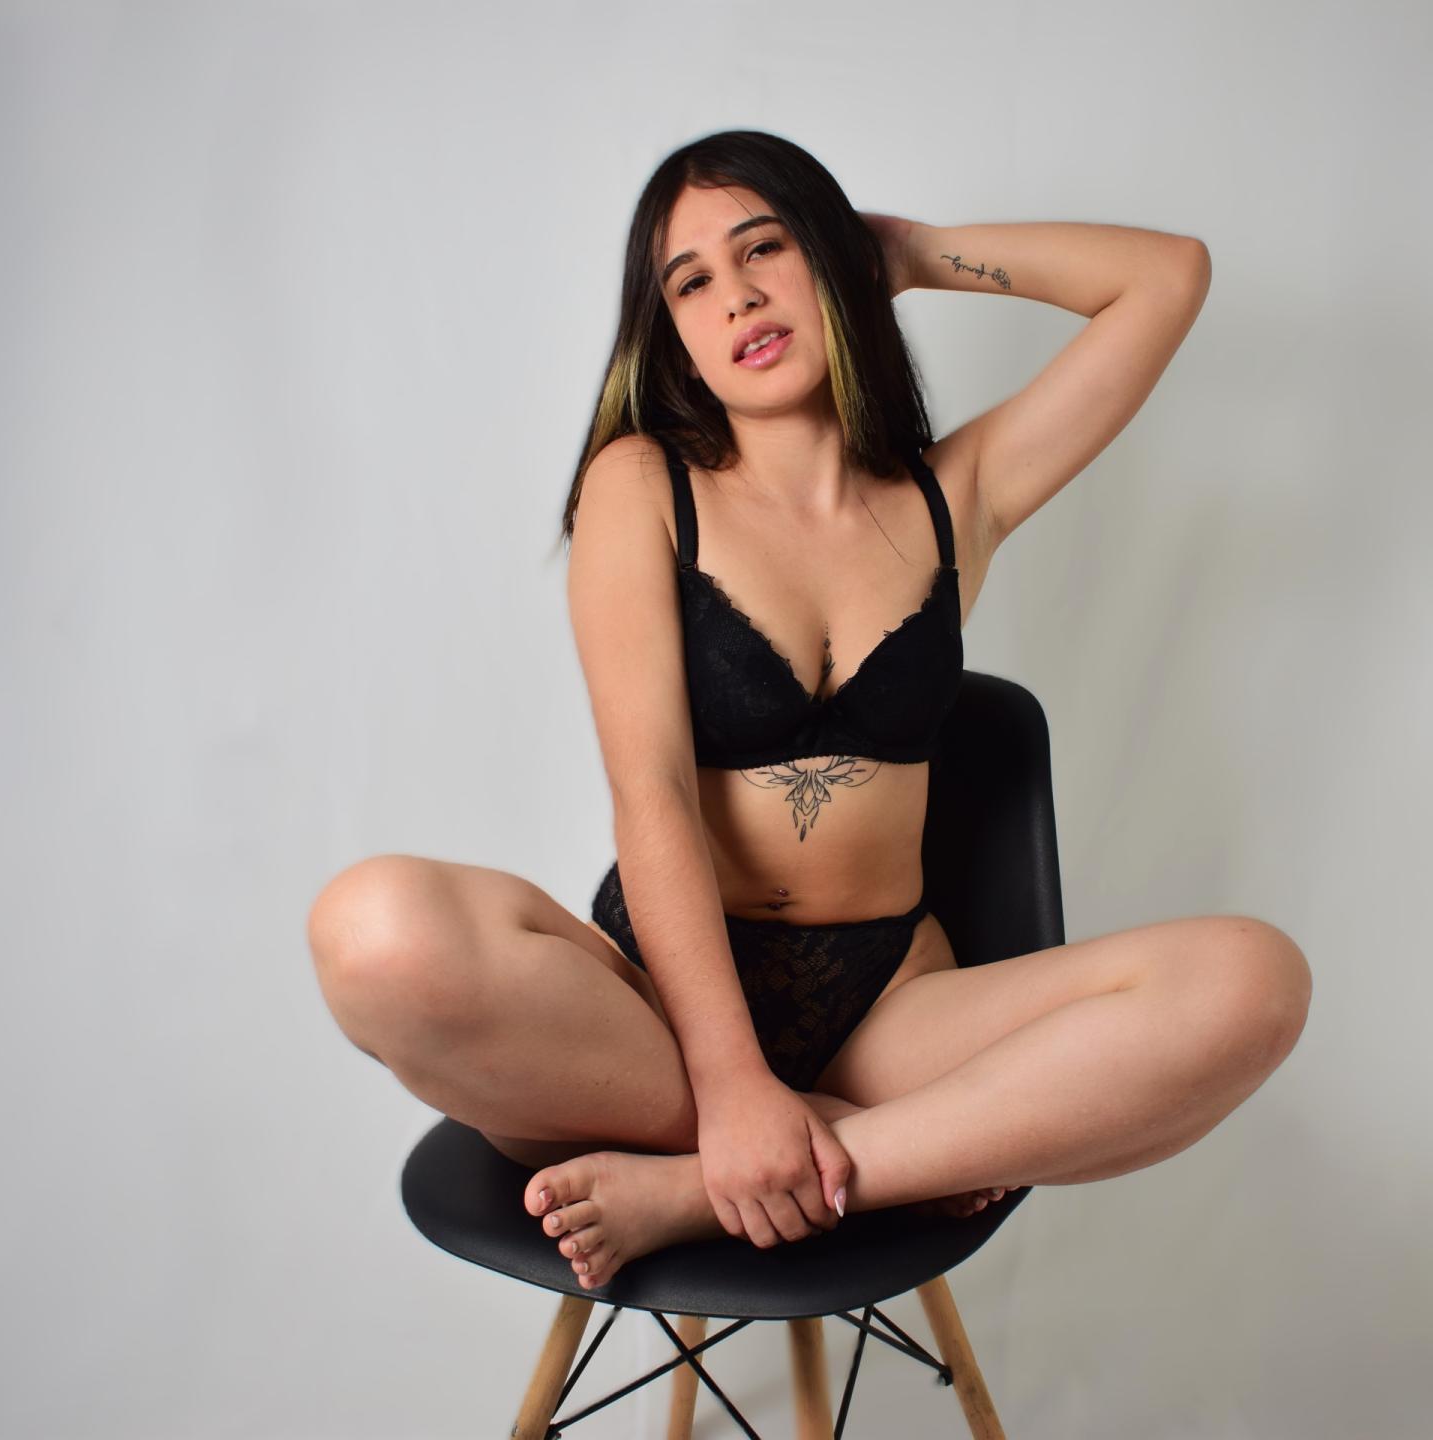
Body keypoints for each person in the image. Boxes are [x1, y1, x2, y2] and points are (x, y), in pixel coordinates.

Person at [309, 130, 1311, 1292]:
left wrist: (908, 253)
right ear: (674, 338)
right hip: (653, 1023)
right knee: (371, 929)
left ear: (831, 262)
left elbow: (1167, 276)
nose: (737, 296)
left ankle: (725, 1184)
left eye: (765, 249)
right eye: (692, 283)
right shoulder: (642, 485)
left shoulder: (956, 496)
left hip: (888, 1017)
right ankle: (842, 1144)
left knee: (1252, 980)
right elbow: (652, 795)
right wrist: (735, 1085)